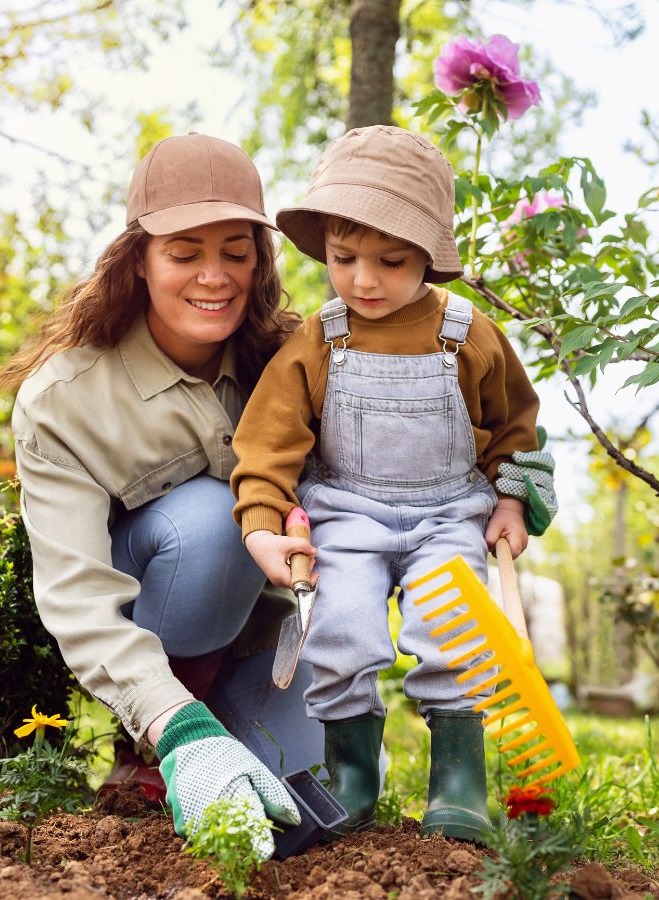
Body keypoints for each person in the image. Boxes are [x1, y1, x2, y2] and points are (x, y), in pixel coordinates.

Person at [230, 125, 557, 844]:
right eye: (345, 259)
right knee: (340, 629)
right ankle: (353, 775)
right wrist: (260, 517)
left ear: (430, 256)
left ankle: (460, 782)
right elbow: (269, 439)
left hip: (450, 514)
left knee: (457, 635)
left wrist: (512, 499)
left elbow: (517, 429)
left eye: (391, 260)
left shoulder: (469, 333)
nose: (365, 280)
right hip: (347, 511)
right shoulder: (323, 336)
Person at [0, 133, 323, 857]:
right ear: (138, 260)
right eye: (184, 253)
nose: (214, 277)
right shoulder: (67, 401)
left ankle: (223, 718)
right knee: (214, 520)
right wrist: (173, 721)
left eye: (235, 251)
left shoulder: (293, 361)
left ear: (258, 260)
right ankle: (156, 740)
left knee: (310, 822)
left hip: (264, 636)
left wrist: (509, 473)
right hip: (151, 626)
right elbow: (79, 600)